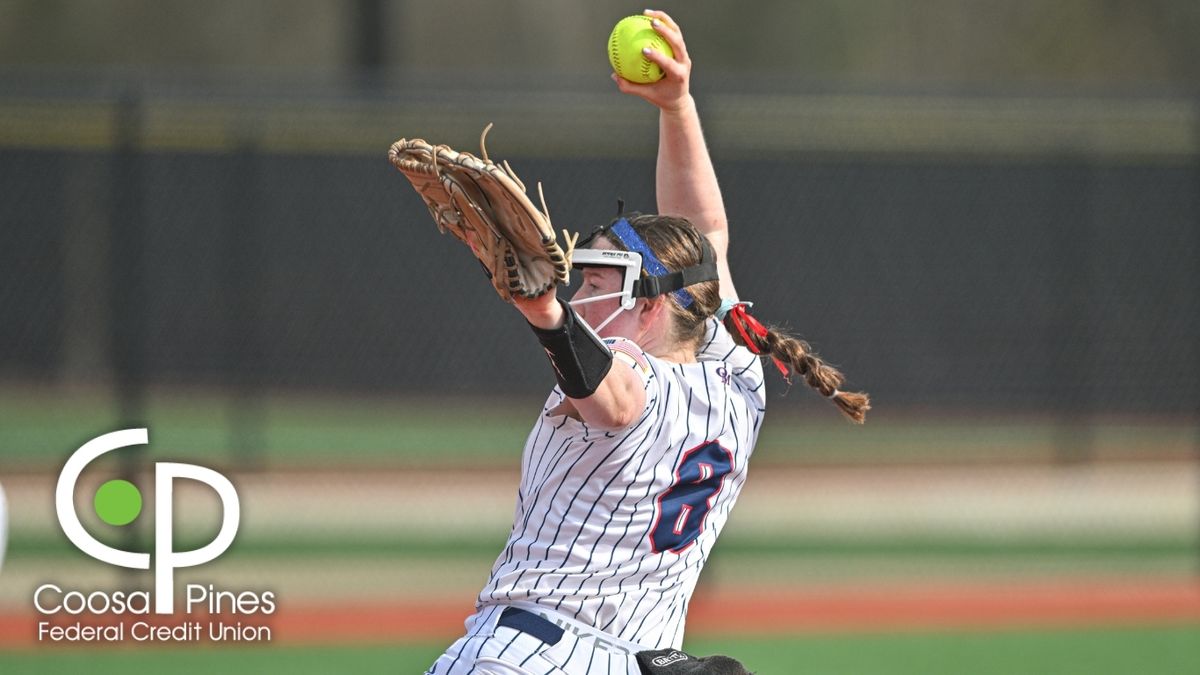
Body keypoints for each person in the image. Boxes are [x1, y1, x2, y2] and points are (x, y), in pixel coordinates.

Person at [425, 10, 868, 675]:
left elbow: (617, 403)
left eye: (596, 279)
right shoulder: (738, 380)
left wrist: (544, 311)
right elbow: (705, 237)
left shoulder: (632, 372)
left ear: (649, 302)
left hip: (527, 656)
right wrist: (677, 107)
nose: (579, 289)